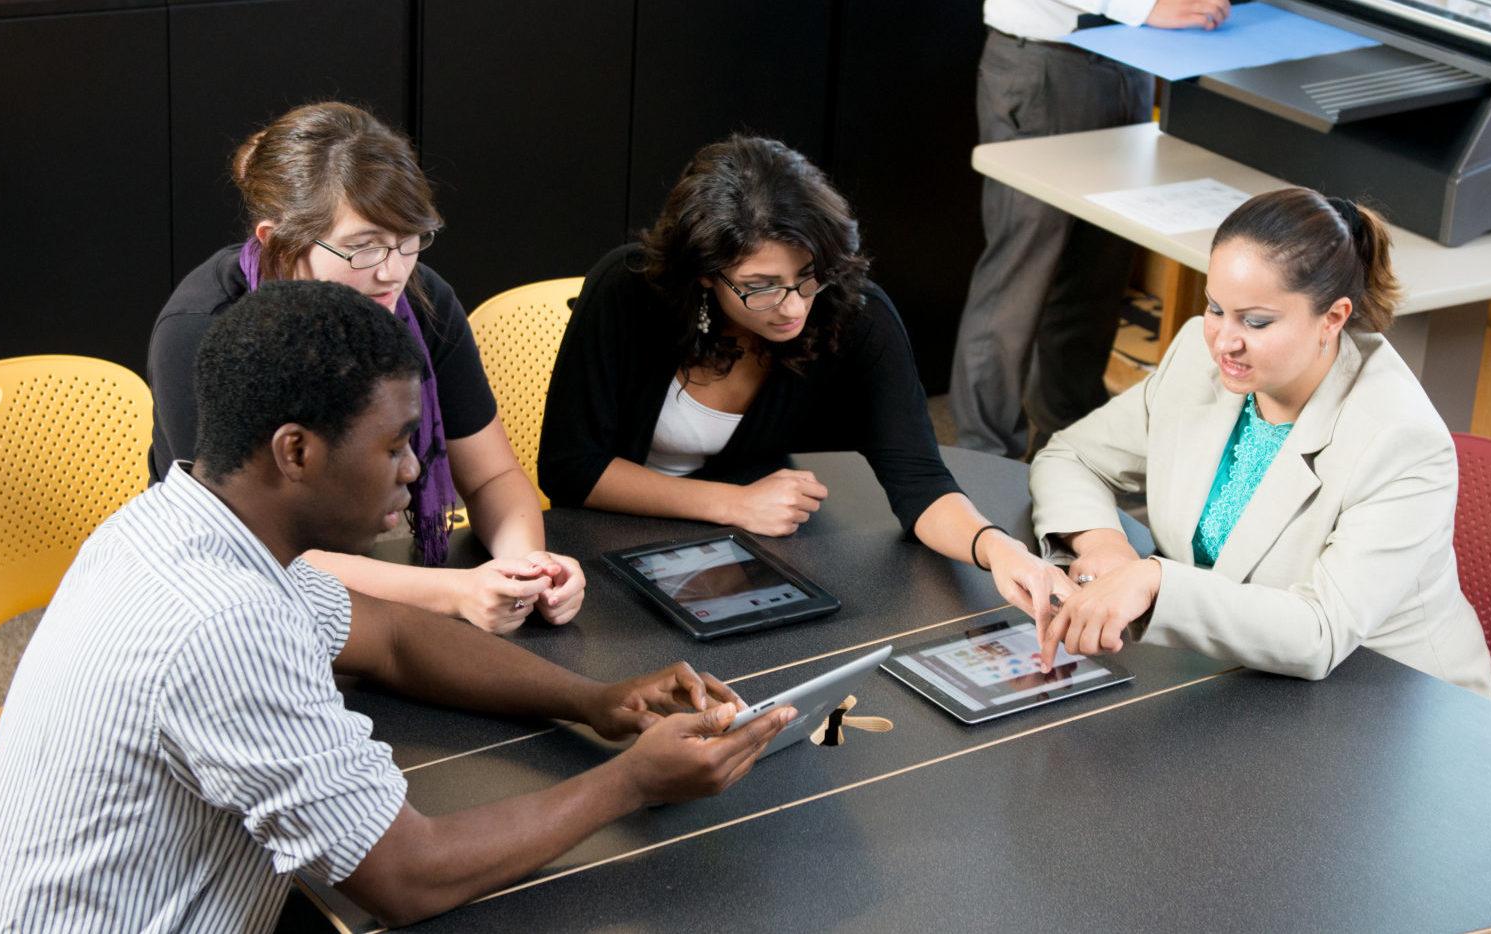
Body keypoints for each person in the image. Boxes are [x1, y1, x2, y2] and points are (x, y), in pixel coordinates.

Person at [0, 281, 791, 932]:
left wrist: (595, 702)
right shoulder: (222, 622)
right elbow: (404, 876)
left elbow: (388, 638)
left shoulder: (173, 525)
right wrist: (632, 781)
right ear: (296, 452)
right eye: (391, 447)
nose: (416, 474)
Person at [538, 135, 1072, 620]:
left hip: (744, 550)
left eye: (807, 275)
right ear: (704, 271)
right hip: (609, 540)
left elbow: (920, 481)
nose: (792, 307)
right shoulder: (629, 293)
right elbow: (571, 470)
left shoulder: (852, 313)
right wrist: (732, 502)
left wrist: (999, 550)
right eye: (760, 286)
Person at [1025, 188, 1491, 699]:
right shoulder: (1198, 357)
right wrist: (1107, 549)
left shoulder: (1400, 441)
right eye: (1215, 308)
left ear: (1333, 319)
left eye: (1256, 321)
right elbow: (1071, 456)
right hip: (1245, 678)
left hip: (1386, 702)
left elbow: (1319, 633)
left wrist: (1154, 582)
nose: (1225, 341)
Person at [149, 102, 583, 635]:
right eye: (363, 248)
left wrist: (525, 572)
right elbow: (251, 548)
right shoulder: (201, 330)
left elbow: (492, 475)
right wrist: (456, 591)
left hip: (382, 571)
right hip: (228, 599)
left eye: (408, 241)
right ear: (276, 242)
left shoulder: (421, 301)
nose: (392, 271)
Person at [948, 0, 1231, 458]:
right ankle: (982, 462)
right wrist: (1146, 5)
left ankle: (1069, 450)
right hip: (1047, 61)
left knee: (1097, 275)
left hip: (1135, 57)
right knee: (1020, 277)